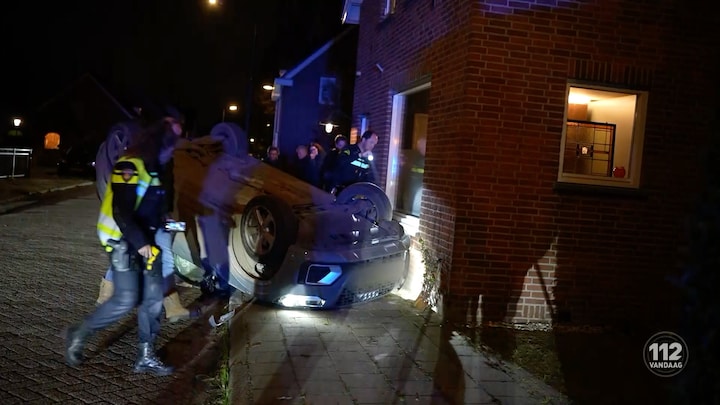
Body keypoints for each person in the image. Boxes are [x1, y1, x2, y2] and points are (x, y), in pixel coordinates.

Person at [64, 119, 179, 376]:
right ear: (160, 145)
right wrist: (141, 244)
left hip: (147, 240)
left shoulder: (155, 169)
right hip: (121, 239)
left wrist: (165, 221)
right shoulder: (130, 165)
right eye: (171, 147)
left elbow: (152, 206)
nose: (173, 153)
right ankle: (78, 333)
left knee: (152, 298)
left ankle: (146, 356)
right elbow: (122, 212)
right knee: (126, 299)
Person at [95, 108, 199, 323]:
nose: (175, 146)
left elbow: (165, 189)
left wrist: (166, 213)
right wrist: (140, 237)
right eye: (173, 140)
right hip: (135, 222)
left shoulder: (164, 161)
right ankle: (104, 299)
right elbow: (122, 207)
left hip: (155, 220)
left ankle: (172, 306)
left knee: (166, 257)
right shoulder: (134, 161)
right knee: (126, 258)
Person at [328, 130, 379, 194]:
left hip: (355, 192)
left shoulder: (368, 158)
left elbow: (370, 176)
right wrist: (359, 155)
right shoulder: (349, 149)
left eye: (374, 144)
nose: (372, 146)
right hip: (341, 190)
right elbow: (341, 162)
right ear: (363, 140)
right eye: (371, 142)